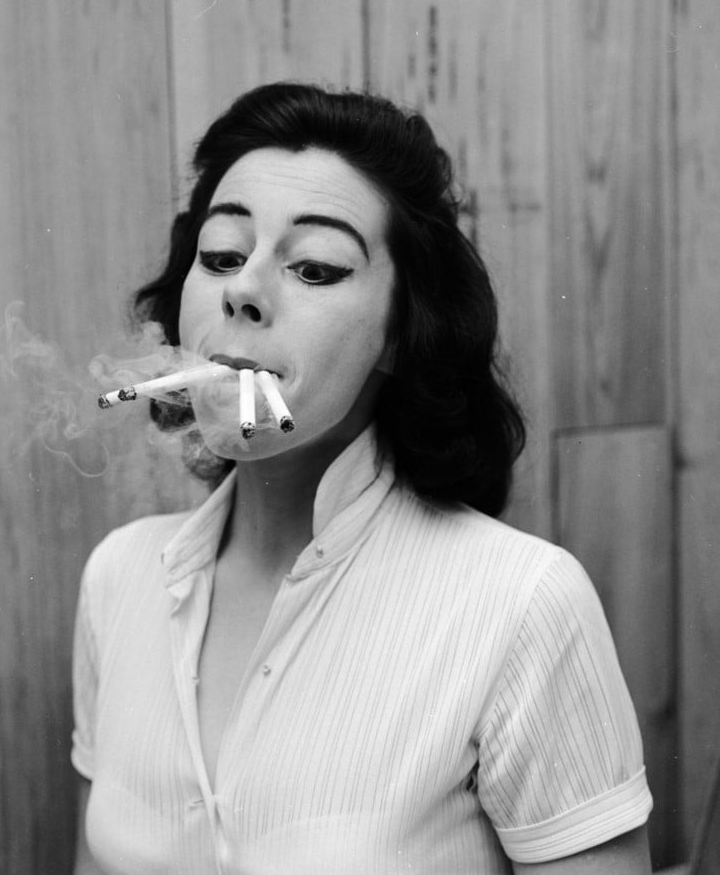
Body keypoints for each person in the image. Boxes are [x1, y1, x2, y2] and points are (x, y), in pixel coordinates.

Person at [71, 83, 653, 874]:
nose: (242, 289)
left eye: (314, 267)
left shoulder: (519, 604)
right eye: (220, 257)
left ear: (397, 335)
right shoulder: (118, 580)